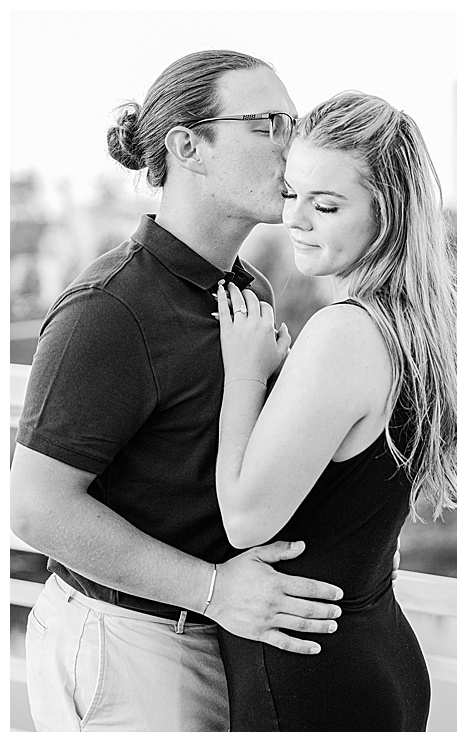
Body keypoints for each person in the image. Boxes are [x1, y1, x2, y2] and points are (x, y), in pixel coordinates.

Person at [11, 50, 347, 732]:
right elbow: (35, 509)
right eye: (268, 124)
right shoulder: (109, 310)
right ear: (188, 146)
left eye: (297, 122)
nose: (295, 146)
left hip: (216, 634)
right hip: (128, 643)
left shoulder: (248, 289)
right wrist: (216, 589)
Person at [210, 91, 457, 731]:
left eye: (325, 205)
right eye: (291, 194)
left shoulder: (343, 335)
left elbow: (246, 518)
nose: (294, 219)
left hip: (310, 675)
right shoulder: (408, 330)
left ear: (385, 218)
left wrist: (245, 373)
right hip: (371, 652)